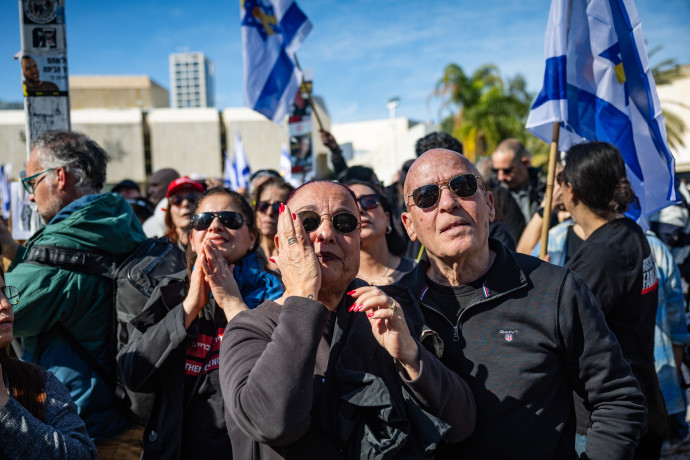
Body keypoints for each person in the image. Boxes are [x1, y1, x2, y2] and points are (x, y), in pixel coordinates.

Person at [391, 147, 646, 459]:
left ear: (489, 205)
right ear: (410, 225)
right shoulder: (393, 311)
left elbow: (617, 398)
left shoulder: (555, 289)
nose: (448, 203)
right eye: (427, 197)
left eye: (463, 187)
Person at [219, 180, 476, 459]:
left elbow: (462, 424)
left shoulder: (388, 311)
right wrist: (303, 294)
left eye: (343, 223)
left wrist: (411, 357)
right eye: (307, 221)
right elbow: (272, 424)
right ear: (280, 244)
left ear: (359, 242)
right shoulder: (249, 329)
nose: (326, 233)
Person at [0, 130, 147, 457]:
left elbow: (10, 310)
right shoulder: (117, 222)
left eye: (31, 183)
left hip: (85, 428)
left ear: (60, 177)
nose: (30, 197)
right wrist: (13, 250)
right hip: (127, 418)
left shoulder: (64, 247)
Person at [118, 187, 283, 459]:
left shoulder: (277, 296)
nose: (215, 226)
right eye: (203, 220)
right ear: (192, 239)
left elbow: (278, 388)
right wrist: (188, 307)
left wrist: (233, 304)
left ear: (252, 237)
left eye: (229, 220)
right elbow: (133, 374)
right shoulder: (170, 292)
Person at [559, 142, 666, 458]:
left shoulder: (602, 257)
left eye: (562, 181)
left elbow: (559, 330)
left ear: (572, 192)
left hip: (604, 422)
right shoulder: (629, 231)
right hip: (639, 399)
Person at [0, 268, 97, 460]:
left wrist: (4, 405)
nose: (5, 304)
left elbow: (85, 456)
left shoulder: (38, 383)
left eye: (4, 292)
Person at [344, 179, 414, 285]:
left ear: (387, 218)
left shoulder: (420, 272)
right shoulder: (335, 283)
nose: (360, 210)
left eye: (369, 201)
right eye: (350, 206)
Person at [491, 138, 545, 228]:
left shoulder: (545, 189)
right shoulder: (494, 194)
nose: (500, 177)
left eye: (507, 170)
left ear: (525, 163)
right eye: (496, 170)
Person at [252, 176, 294, 273]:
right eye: (263, 206)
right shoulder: (243, 252)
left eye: (278, 207)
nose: (269, 212)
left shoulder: (297, 255)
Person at [164, 176, 204, 250]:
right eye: (177, 200)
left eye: (192, 198)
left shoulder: (214, 244)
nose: (185, 204)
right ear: (169, 210)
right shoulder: (161, 248)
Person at [143, 168, 180, 238]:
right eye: (150, 186)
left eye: (155, 185)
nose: (150, 191)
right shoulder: (149, 223)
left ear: (170, 184)